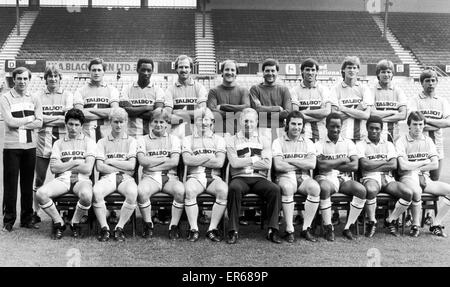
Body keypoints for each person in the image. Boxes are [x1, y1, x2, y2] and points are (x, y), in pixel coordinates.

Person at [36, 108, 95, 239]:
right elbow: (54, 169)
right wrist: (75, 163)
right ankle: (59, 223)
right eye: (70, 124)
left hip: (81, 180)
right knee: (41, 194)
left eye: (76, 125)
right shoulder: (58, 143)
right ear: (66, 124)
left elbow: (88, 169)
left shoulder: (89, 142)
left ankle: (75, 222)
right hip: (63, 180)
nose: (73, 128)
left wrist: (64, 165)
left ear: (81, 126)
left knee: (86, 195)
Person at [226, 108, 282, 244]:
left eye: (251, 121)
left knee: (275, 190)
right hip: (240, 178)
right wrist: (255, 159)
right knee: (234, 188)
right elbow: (234, 163)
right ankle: (233, 230)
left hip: (259, 178)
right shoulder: (231, 140)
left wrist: (244, 162)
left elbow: (267, 164)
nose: (248, 124)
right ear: (240, 122)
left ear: (256, 122)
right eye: (245, 121)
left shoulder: (264, 139)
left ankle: (272, 230)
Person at [0, 67, 43, 232]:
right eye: (19, 79)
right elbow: (9, 121)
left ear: (29, 80)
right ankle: (9, 219)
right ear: (14, 79)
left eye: (25, 79)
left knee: (27, 184)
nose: (22, 82)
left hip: (30, 146)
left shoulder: (34, 98)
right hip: (12, 147)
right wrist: (29, 119)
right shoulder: (5, 97)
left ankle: (27, 219)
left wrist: (24, 122)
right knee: (10, 184)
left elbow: (40, 122)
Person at [356, 116, 413, 237]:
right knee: (370, 190)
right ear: (367, 128)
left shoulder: (388, 144)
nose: (374, 131)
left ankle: (390, 220)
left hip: (388, 179)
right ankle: (372, 222)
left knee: (408, 193)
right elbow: (364, 165)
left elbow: (393, 164)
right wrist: (383, 163)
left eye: (377, 128)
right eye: (371, 128)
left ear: (381, 129)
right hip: (370, 177)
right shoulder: (361, 144)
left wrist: (373, 165)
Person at [395, 111, 450, 237]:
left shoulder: (428, 140)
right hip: (407, 177)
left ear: (424, 125)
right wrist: (424, 162)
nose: (418, 128)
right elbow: (403, 166)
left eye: (420, 124)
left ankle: (436, 224)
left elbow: (435, 164)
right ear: (409, 125)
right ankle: (415, 224)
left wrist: (416, 167)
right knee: (416, 191)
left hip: (425, 178)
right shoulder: (401, 141)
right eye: (415, 124)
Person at [315, 112, 367, 241]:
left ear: (341, 126)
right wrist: (342, 160)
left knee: (361, 190)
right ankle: (328, 227)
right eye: (332, 126)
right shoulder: (319, 143)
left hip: (343, 178)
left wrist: (331, 164)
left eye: (338, 126)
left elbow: (354, 166)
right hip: (325, 177)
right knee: (325, 188)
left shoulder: (348, 143)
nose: (335, 129)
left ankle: (348, 227)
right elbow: (321, 166)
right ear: (326, 126)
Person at [32, 65, 73, 226]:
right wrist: (57, 117)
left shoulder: (67, 95)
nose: (53, 79)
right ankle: (35, 212)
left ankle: (64, 210)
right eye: (50, 76)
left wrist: (45, 119)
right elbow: (36, 120)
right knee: (40, 178)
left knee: (62, 177)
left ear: (60, 78)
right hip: (43, 141)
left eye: (56, 76)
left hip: (63, 142)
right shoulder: (37, 96)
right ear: (46, 79)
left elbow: (68, 119)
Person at [136, 108, 185, 239]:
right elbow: (142, 161)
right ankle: (148, 224)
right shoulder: (142, 139)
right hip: (150, 177)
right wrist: (164, 159)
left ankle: (173, 226)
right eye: (155, 121)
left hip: (170, 177)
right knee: (141, 191)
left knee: (180, 191)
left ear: (167, 124)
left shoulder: (174, 139)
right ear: (150, 123)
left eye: (162, 122)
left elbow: (174, 162)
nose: (158, 125)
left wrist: (152, 164)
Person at [272, 111, 320, 243]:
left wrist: (289, 161)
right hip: (285, 176)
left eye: (300, 124)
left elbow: (311, 164)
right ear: (287, 124)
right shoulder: (278, 141)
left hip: (303, 178)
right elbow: (278, 166)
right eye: (293, 124)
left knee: (315, 188)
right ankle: (289, 229)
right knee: (287, 187)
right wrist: (300, 163)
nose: (296, 127)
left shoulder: (308, 142)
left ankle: (306, 228)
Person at [182, 108, 228, 242]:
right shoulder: (187, 139)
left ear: (212, 122)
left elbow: (219, 163)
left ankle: (212, 229)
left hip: (213, 177)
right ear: (195, 122)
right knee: (189, 191)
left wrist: (198, 158)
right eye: (200, 119)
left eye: (206, 119)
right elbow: (187, 160)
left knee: (223, 191)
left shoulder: (219, 140)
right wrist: (208, 157)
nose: (203, 122)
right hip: (195, 177)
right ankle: (194, 229)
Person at [92, 108, 138, 242]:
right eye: (115, 122)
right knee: (96, 191)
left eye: (121, 122)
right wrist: (122, 167)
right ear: (110, 122)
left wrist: (111, 161)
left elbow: (132, 166)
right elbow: (99, 166)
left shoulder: (131, 141)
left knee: (133, 193)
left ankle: (120, 227)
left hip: (126, 178)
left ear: (126, 122)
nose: (118, 125)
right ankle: (104, 228)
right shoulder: (101, 142)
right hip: (107, 178)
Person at [408, 68, 450, 181]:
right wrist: (438, 124)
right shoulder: (415, 100)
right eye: (427, 80)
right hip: (419, 146)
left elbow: (448, 122)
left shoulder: (442, 101)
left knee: (434, 179)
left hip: (437, 145)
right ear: (421, 83)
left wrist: (426, 120)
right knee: (418, 179)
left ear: (436, 82)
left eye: (433, 80)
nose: (430, 83)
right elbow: (415, 123)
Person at [73, 58, 120, 142]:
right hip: (86, 135)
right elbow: (79, 114)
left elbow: (114, 112)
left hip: (106, 134)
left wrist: (89, 110)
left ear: (103, 72)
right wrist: (105, 113)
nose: (96, 73)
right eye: (94, 70)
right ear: (89, 72)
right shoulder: (80, 91)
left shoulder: (112, 90)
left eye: (99, 70)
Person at [163, 55, 207, 139]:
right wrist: (192, 115)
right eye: (181, 67)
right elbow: (167, 117)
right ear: (176, 69)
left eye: (186, 67)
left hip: (196, 135)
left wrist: (176, 112)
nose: (183, 70)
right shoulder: (170, 89)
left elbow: (202, 113)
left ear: (191, 68)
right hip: (176, 135)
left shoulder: (200, 87)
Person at [119, 58, 165, 138]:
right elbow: (126, 112)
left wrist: (134, 110)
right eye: (143, 70)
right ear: (137, 70)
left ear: (152, 71)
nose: (146, 73)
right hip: (132, 135)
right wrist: (148, 107)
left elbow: (157, 114)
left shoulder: (158, 90)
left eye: (149, 70)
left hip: (152, 135)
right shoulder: (127, 89)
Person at [330, 56, 372, 142]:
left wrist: (344, 109)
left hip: (361, 137)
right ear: (343, 70)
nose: (351, 70)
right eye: (349, 67)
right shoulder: (335, 89)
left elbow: (366, 115)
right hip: (342, 136)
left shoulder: (364, 88)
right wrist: (358, 110)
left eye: (354, 68)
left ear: (358, 70)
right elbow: (335, 116)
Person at [248, 58, 292, 141]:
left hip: (280, 130)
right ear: (263, 72)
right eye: (267, 71)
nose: (270, 73)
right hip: (260, 130)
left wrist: (264, 114)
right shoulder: (255, 89)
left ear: (277, 73)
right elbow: (256, 109)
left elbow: (288, 113)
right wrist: (278, 108)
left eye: (273, 71)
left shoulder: (284, 90)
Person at [290, 58, 332, 143]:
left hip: (320, 133)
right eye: (307, 70)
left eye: (313, 70)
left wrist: (304, 112)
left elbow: (327, 112)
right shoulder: (294, 90)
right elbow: (296, 115)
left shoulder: (324, 89)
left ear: (316, 72)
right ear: (302, 71)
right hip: (302, 134)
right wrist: (319, 118)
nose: (310, 73)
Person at [207, 59, 249, 135]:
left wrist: (223, 107)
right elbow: (212, 112)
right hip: (218, 134)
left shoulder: (243, 91)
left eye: (232, 70)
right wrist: (236, 113)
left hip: (238, 134)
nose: (229, 72)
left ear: (236, 73)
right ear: (222, 72)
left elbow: (246, 109)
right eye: (227, 70)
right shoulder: (213, 91)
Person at [370, 59, 407, 143]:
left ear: (392, 74)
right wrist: (393, 112)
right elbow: (371, 113)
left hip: (394, 136)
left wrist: (379, 118)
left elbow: (403, 115)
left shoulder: (398, 91)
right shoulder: (371, 90)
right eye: (383, 72)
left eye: (388, 72)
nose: (386, 75)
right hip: (375, 135)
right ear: (378, 74)